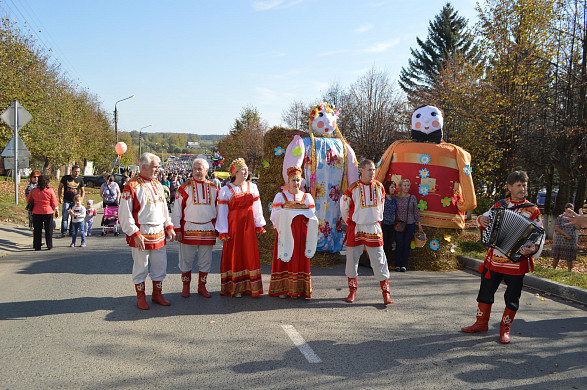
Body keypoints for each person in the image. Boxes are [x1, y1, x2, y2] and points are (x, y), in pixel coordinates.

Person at [462, 170, 544, 344]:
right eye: (519, 185)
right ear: (509, 187)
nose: (522, 188)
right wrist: (480, 221)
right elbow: (483, 217)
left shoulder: (533, 210)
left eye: (524, 185)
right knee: (485, 292)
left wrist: (533, 249)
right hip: (494, 260)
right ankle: (481, 323)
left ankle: (505, 330)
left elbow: (539, 236)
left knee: (512, 298)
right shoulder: (499, 205)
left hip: (516, 262)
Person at [119, 153, 176, 310]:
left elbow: (164, 207)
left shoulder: (158, 184)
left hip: (158, 231)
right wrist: (134, 233)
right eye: (154, 167)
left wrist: (169, 225)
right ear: (143, 167)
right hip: (141, 232)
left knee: (160, 264)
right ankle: (141, 297)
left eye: (158, 167)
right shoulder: (131, 186)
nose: (157, 170)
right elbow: (124, 213)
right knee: (141, 266)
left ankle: (157, 294)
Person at [340, 159, 393, 305]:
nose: (372, 173)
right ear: (361, 170)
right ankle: (352, 291)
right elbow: (344, 207)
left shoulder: (379, 187)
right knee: (351, 260)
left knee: (379, 259)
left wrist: (374, 219)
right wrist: (350, 222)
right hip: (356, 227)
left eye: (374, 170)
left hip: (373, 227)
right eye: (369, 170)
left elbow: (380, 206)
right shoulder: (353, 188)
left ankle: (386, 293)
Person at [215, 158, 266, 297]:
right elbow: (223, 212)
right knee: (236, 253)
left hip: (248, 226)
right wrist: (223, 230)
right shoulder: (226, 190)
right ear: (235, 172)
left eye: (246, 169)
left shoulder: (252, 187)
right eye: (242, 169)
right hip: (234, 226)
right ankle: (236, 287)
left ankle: (250, 286)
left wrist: (259, 224)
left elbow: (257, 208)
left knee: (249, 252)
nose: (246, 172)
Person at [172, 158, 218, 298]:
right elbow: (177, 210)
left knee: (206, 260)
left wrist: (219, 228)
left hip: (208, 228)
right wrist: (177, 229)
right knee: (186, 260)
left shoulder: (214, 188)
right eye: (195, 169)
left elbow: (219, 209)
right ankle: (186, 287)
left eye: (200, 169)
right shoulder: (184, 187)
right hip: (189, 228)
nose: (197, 172)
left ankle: (201, 286)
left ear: (206, 170)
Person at [269, 166, 317, 299]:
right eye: (293, 180)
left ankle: (299, 289)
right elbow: (274, 215)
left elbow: (312, 216)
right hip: (286, 233)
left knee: (300, 258)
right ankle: (283, 288)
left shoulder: (307, 197)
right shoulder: (281, 196)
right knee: (286, 257)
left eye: (298, 180)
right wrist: (280, 225)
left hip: (301, 234)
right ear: (288, 182)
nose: (296, 183)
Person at [394, 179, 423, 272]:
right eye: (404, 185)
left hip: (410, 224)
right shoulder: (396, 198)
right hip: (399, 224)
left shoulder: (412, 197)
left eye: (408, 185)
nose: (406, 187)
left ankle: (404, 265)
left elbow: (416, 212)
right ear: (400, 187)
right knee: (399, 244)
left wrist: (419, 225)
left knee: (407, 245)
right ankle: (397, 264)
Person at [27, 174, 59, 251]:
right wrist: (56, 210)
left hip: (36, 211)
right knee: (48, 229)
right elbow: (54, 202)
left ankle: (37, 246)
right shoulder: (50, 191)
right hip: (48, 211)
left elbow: (29, 200)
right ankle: (49, 245)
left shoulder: (33, 190)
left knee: (37, 229)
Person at [58, 164, 85, 237]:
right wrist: (60, 198)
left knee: (74, 216)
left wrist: (81, 199)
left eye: (78, 171)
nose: (77, 173)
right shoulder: (65, 178)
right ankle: (64, 232)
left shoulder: (80, 180)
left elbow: (83, 191)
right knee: (65, 216)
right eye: (75, 171)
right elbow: (60, 187)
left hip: (75, 201)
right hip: (66, 200)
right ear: (72, 171)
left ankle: (72, 231)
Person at [552, 203, 579, 272]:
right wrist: (565, 234)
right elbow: (556, 227)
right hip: (560, 239)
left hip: (571, 239)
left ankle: (569, 271)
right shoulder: (560, 217)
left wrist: (575, 220)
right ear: (565, 210)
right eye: (568, 210)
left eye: (572, 210)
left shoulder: (575, 218)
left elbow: (578, 227)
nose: (570, 211)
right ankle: (553, 269)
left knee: (569, 257)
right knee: (556, 256)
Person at [381, 180, 397, 263]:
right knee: (383, 244)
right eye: (392, 187)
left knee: (388, 244)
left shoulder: (394, 200)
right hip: (383, 224)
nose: (393, 189)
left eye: (394, 187)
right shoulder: (383, 198)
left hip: (391, 225)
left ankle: (386, 262)